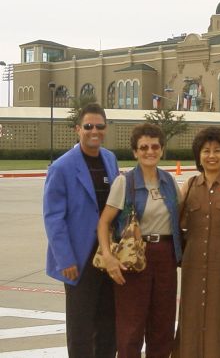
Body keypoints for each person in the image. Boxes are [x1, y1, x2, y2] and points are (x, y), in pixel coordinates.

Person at [97, 123, 182, 358]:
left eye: (155, 146)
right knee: (131, 327)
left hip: (165, 256)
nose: (149, 151)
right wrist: (107, 256)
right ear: (135, 152)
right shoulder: (125, 183)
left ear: (162, 149)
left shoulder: (170, 182)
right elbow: (104, 222)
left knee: (163, 325)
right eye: (143, 147)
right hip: (134, 259)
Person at [43, 103, 119, 357]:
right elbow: (54, 217)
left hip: (107, 256)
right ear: (78, 129)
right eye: (88, 126)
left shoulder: (110, 159)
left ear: (105, 129)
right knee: (80, 326)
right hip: (79, 258)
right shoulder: (62, 167)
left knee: (108, 323)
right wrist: (65, 258)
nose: (93, 131)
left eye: (99, 126)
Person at [174, 127, 220, 358]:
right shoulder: (189, 186)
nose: (211, 155)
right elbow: (174, 223)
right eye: (206, 151)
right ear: (198, 155)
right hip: (193, 268)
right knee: (191, 320)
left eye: (217, 150)